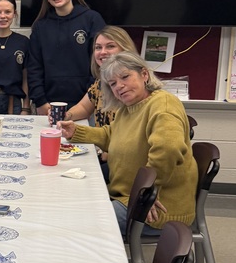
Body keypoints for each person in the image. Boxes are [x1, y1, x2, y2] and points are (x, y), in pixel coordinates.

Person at [58, 52, 198, 236]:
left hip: (157, 206)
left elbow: (168, 148)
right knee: (69, 203)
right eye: (113, 84)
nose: (120, 86)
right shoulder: (129, 108)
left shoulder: (162, 104)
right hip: (129, 196)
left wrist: (146, 192)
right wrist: (76, 132)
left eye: (125, 77)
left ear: (144, 74)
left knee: (76, 224)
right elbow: (112, 135)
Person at [27, 0, 106, 116]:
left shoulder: (92, 19)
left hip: (87, 103)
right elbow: (34, 67)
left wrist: (88, 99)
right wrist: (40, 102)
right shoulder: (40, 26)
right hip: (48, 105)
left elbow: (99, 62)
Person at [63, 26, 137, 127]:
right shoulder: (100, 82)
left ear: (125, 49)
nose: (102, 52)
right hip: (102, 140)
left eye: (110, 46)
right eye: (98, 47)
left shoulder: (134, 83)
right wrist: (66, 116)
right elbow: (84, 107)